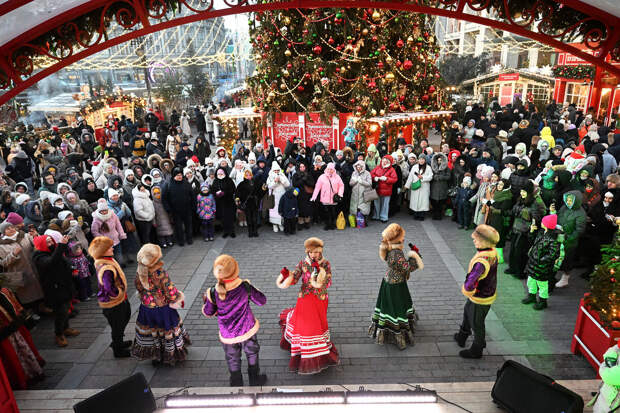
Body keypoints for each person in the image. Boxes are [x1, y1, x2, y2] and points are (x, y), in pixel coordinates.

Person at [202, 254, 267, 386]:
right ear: (235, 270)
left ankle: (236, 383)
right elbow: (262, 301)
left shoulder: (213, 292)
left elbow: (208, 312)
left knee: (232, 358)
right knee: (252, 352)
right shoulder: (245, 287)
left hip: (228, 333)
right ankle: (254, 379)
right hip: (247, 328)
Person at [276, 237, 339, 374]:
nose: (314, 255)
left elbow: (328, 282)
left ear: (321, 251)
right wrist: (288, 277)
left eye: (316, 252)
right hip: (305, 297)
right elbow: (295, 278)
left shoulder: (326, 264)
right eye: (311, 252)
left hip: (320, 298)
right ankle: (305, 351)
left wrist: (320, 278)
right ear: (307, 252)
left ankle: (319, 348)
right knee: (306, 326)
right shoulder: (303, 263)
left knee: (319, 324)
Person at [132, 243, 190, 365]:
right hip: (163, 308)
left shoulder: (139, 271)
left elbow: (138, 287)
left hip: (147, 308)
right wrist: (177, 298)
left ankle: (156, 355)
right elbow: (170, 290)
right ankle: (170, 355)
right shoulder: (159, 272)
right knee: (166, 330)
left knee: (154, 332)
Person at [369, 223, 423, 350]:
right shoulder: (396, 254)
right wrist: (415, 257)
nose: (404, 239)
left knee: (393, 306)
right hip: (395, 286)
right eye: (402, 237)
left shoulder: (392, 248)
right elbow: (407, 268)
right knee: (396, 308)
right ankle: (397, 331)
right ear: (396, 238)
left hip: (392, 282)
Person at [453, 225, 499, 359]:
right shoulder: (492, 251)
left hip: (480, 296)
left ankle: (477, 349)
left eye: (476, 239)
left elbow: (470, 282)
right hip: (485, 293)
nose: (473, 240)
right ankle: (462, 336)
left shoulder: (481, 261)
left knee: (477, 323)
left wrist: (467, 289)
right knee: (468, 313)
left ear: (484, 241)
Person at [32, 234, 79, 347]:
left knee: (66, 308)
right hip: (55, 289)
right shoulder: (39, 257)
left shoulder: (54, 250)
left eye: (51, 241)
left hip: (65, 285)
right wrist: (61, 246)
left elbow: (63, 261)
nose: (51, 244)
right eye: (47, 242)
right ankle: (59, 334)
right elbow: (51, 262)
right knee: (60, 312)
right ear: (41, 244)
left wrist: (71, 268)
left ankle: (66, 328)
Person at [89, 236, 131, 358]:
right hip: (113, 302)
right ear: (102, 251)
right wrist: (119, 292)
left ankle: (119, 342)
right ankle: (118, 349)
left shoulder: (107, 260)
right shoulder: (106, 267)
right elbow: (108, 287)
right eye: (109, 247)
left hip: (119, 300)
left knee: (123, 319)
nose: (112, 248)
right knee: (117, 326)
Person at [0, 286, 45, 389]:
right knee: (15, 353)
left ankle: (26, 375)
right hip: (8, 329)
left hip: (9, 328)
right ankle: (25, 375)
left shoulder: (4, 292)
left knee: (17, 352)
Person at [521, 214, 563, 310]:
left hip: (542, 266)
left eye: (543, 222)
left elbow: (554, 254)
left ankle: (543, 301)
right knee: (531, 281)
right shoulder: (541, 233)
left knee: (542, 284)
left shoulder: (553, 239)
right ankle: (532, 296)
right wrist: (531, 232)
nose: (541, 223)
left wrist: (541, 260)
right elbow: (533, 242)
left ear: (547, 225)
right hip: (533, 263)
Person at [163, 167, 195, 246]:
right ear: (174, 176)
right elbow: (164, 198)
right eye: (177, 175)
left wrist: (193, 206)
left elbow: (192, 195)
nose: (179, 176)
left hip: (187, 209)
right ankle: (180, 240)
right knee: (178, 227)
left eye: (180, 175)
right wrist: (168, 209)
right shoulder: (168, 185)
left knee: (188, 225)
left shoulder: (186, 183)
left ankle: (189, 238)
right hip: (175, 210)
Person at [91, 198, 127, 266]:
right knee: (109, 255)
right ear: (99, 211)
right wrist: (103, 238)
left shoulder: (112, 215)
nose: (104, 212)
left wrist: (121, 234)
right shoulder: (96, 219)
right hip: (106, 242)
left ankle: (120, 264)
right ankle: (112, 266)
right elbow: (94, 231)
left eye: (105, 210)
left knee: (118, 253)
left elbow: (118, 225)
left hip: (116, 239)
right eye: (102, 211)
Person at [311, 163, 344, 230]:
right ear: (326, 169)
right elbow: (317, 187)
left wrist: (340, 194)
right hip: (325, 198)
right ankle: (327, 224)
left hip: (334, 198)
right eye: (328, 169)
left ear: (333, 169)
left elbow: (341, 185)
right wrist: (314, 196)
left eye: (331, 169)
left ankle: (332, 224)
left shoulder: (337, 177)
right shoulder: (322, 177)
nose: (329, 170)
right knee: (326, 212)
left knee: (333, 212)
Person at [590, 343, 620, 412]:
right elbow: (609, 353)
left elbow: (609, 376)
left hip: (612, 406)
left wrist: (604, 366)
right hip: (605, 397)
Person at [371, 155, 398, 223]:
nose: (384, 162)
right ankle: (376, 215)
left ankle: (384, 217)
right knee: (376, 203)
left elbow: (395, 179)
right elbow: (371, 174)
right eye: (383, 161)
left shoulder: (392, 169)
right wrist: (375, 178)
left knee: (385, 204)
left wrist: (387, 179)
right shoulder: (377, 168)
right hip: (378, 189)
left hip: (387, 190)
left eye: (386, 161)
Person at [211, 167, 237, 238]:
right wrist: (216, 194)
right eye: (218, 173)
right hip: (220, 203)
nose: (220, 175)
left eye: (221, 173)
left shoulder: (229, 180)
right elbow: (213, 190)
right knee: (223, 218)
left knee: (230, 217)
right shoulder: (215, 181)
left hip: (229, 202)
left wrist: (225, 193)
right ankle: (225, 231)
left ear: (225, 173)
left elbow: (233, 190)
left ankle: (231, 231)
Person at [406, 156, 433, 221]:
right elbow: (410, 176)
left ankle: (422, 215)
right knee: (415, 201)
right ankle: (416, 214)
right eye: (420, 159)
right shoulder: (414, 167)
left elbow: (431, 177)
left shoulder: (428, 168)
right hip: (415, 186)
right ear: (418, 160)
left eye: (423, 159)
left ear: (425, 160)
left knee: (423, 202)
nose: (421, 160)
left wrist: (423, 177)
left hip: (424, 187)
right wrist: (407, 185)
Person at [267, 162, 290, 233]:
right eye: (275, 170)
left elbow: (288, 184)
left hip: (282, 195)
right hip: (274, 196)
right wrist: (275, 181)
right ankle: (274, 224)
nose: (276, 172)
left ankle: (280, 224)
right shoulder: (270, 176)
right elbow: (269, 186)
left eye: (277, 170)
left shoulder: (282, 175)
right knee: (274, 210)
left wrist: (282, 180)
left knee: (281, 209)